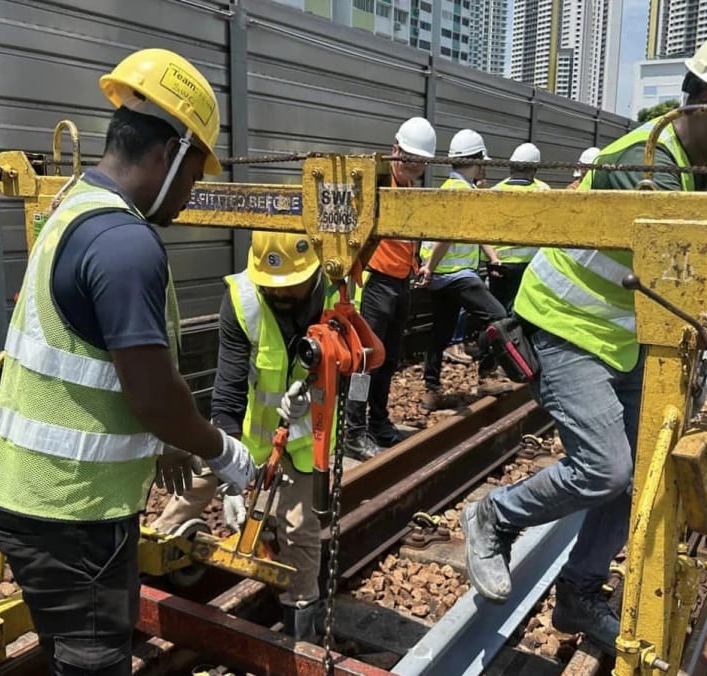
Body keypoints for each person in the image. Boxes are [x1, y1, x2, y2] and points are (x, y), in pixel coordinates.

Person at [460, 25, 707, 654]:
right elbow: (690, 243)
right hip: (566, 323)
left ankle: (578, 593)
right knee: (605, 469)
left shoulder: (700, 165)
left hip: (622, 335)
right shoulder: (641, 162)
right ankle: (496, 515)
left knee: (640, 472)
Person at [0, 49, 257, 676]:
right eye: (193, 175)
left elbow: (99, 370)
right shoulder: (126, 243)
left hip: (39, 496)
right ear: (166, 155)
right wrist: (220, 450)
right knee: (94, 659)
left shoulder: (75, 208)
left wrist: (167, 444)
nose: (191, 196)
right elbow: (152, 396)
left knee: (80, 649)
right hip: (70, 510)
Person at [152, 231, 332, 640]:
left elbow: (361, 359)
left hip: (305, 441)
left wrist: (318, 385)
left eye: (290, 285)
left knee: (299, 531)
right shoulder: (244, 299)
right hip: (248, 435)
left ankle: (301, 627)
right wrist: (229, 477)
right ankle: (153, 563)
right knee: (192, 486)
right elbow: (229, 387)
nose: (279, 294)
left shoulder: (337, 293)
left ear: (314, 271)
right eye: (271, 286)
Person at [344, 117, 436, 454]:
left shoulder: (408, 188)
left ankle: (378, 423)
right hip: (375, 284)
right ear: (394, 149)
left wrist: (416, 266)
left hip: (400, 284)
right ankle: (354, 430)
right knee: (365, 362)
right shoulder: (377, 184)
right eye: (409, 159)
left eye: (420, 163)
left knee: (389, 358)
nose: (413, 167)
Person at [417, 129, 508, 411]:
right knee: (497, 317)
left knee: (441, 332)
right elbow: (447, 235)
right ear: (478, 160)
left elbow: (473, 231)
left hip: (443, 276)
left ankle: (431, 391)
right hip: (454, 274)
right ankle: (487, 375)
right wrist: (430, 267)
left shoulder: (452, 188)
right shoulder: (463, 193)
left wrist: (492, 257)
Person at [490, 143, 551, 312]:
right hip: (529, 263)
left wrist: (493, 258)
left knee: (497, 310)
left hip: (499, 262)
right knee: (522, 310)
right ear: (534, 168)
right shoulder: (543, 191)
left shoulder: (495, 190)